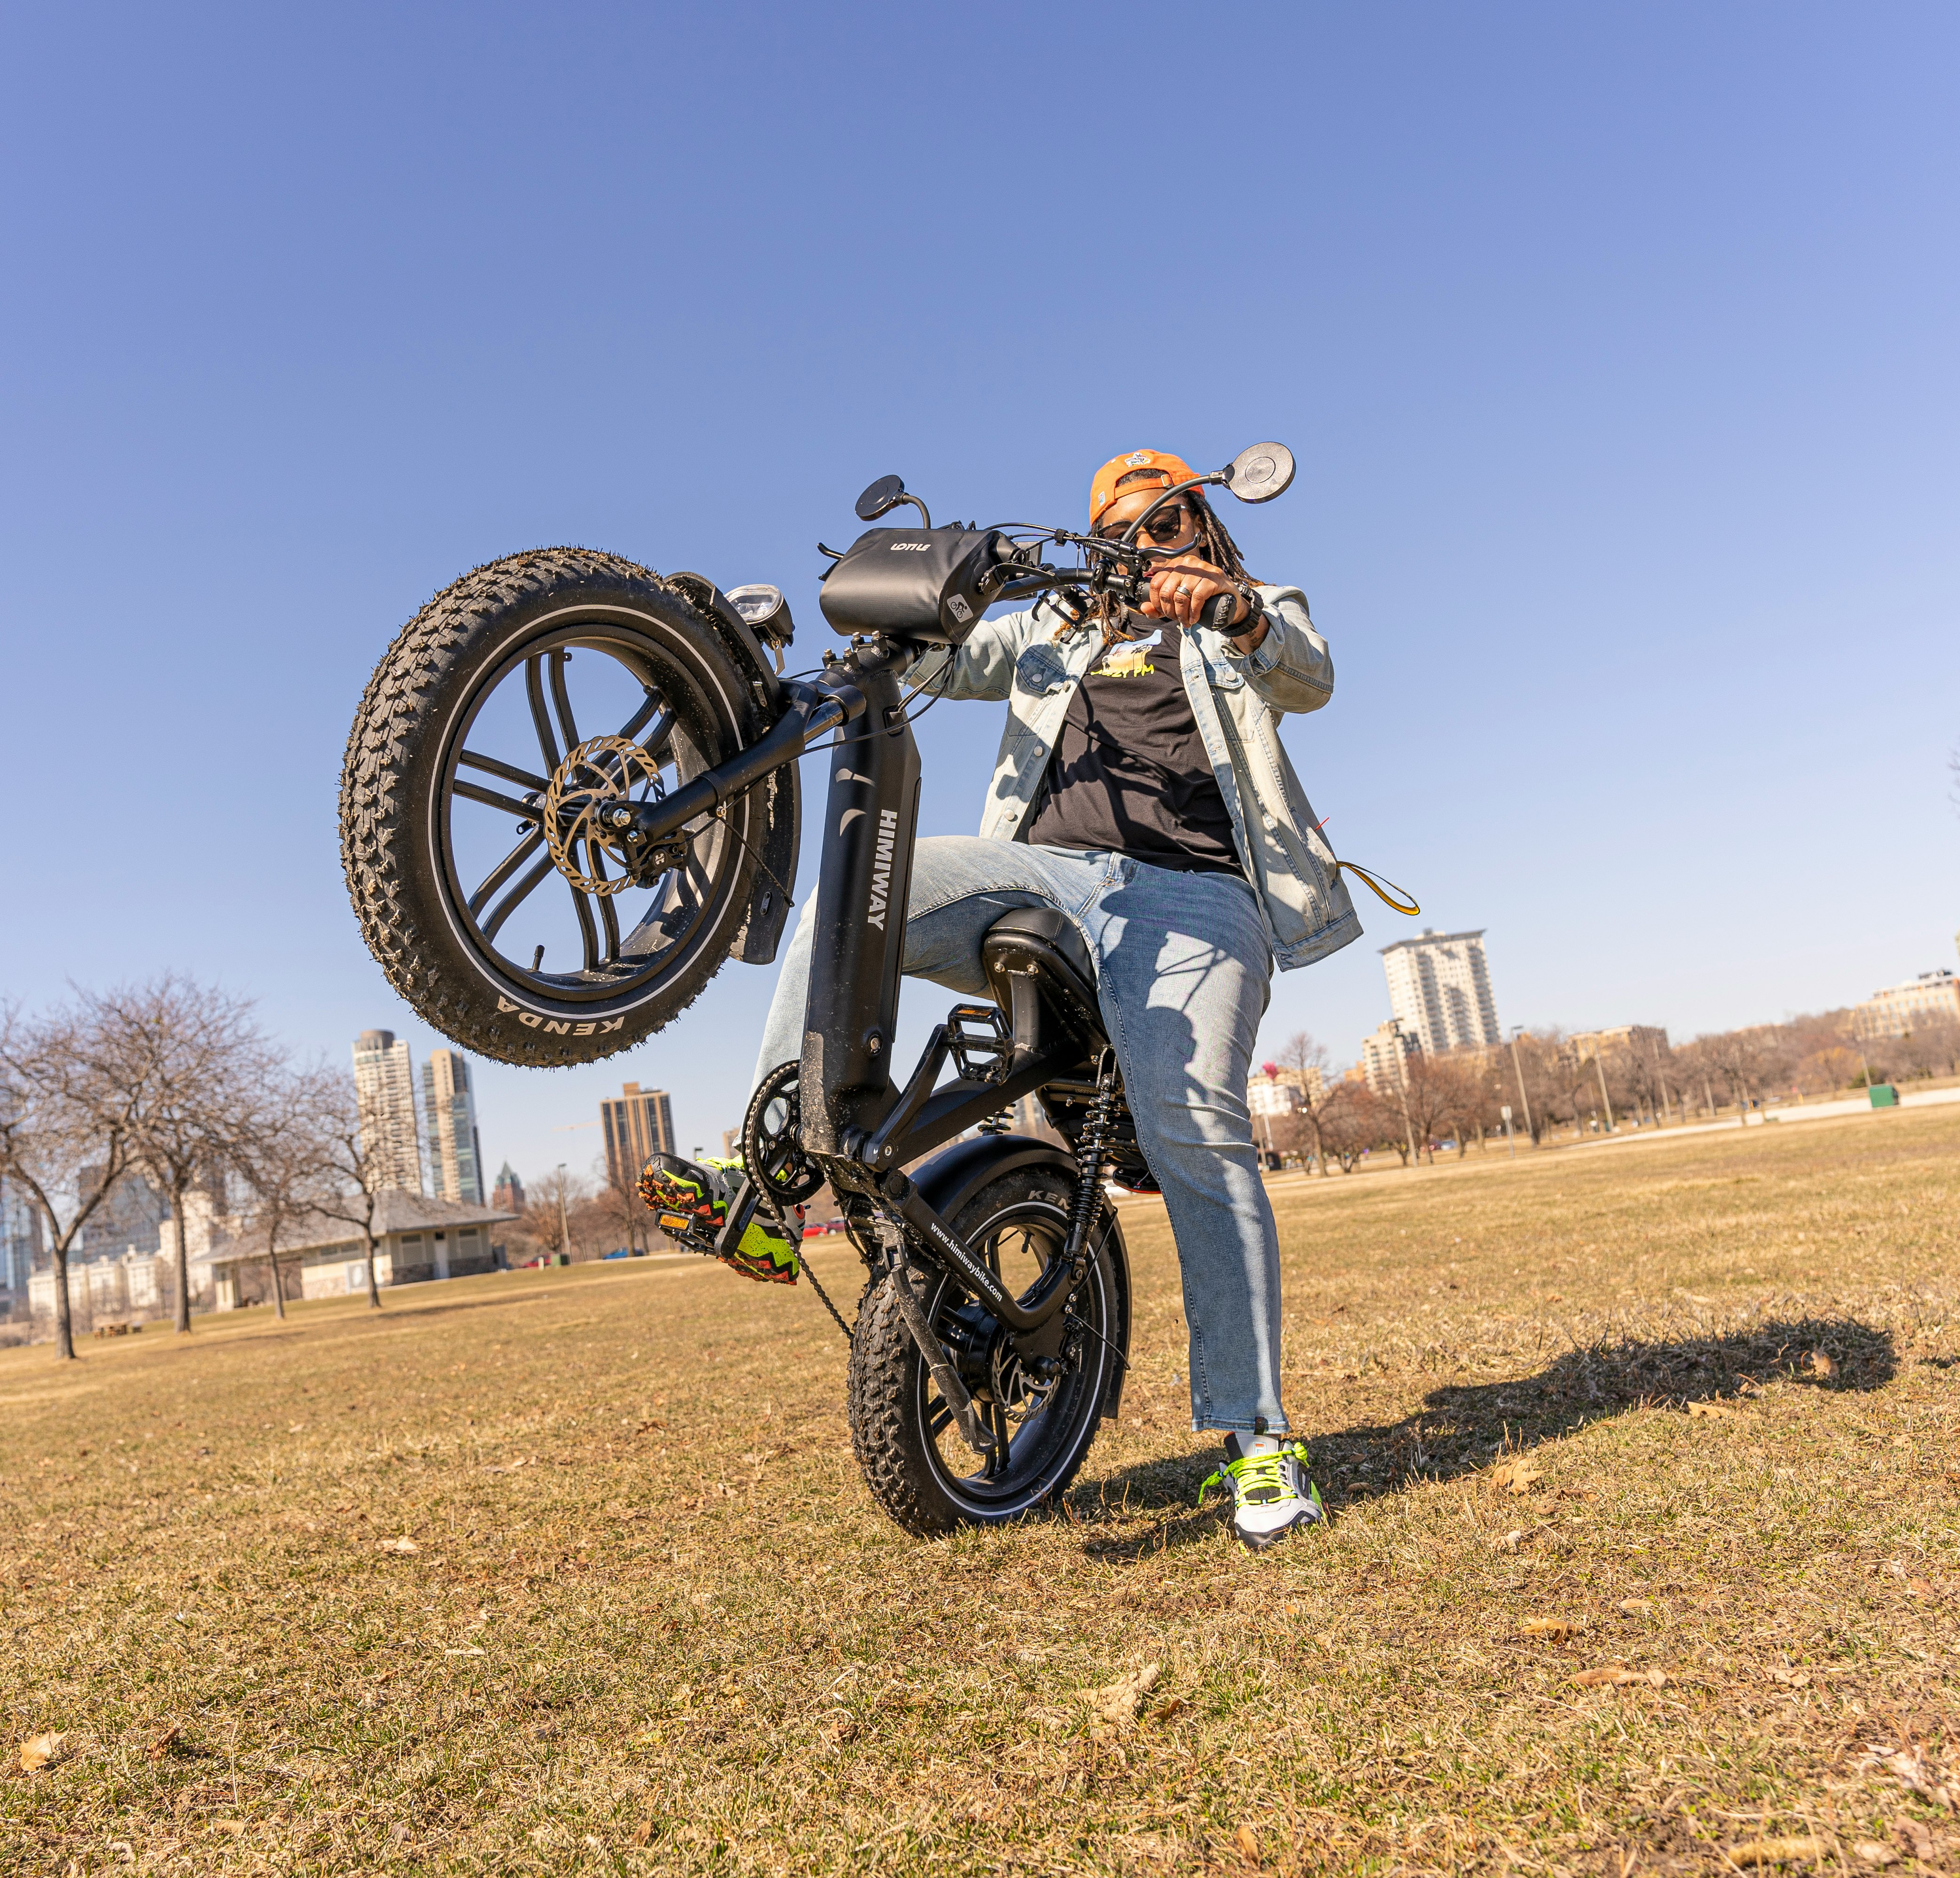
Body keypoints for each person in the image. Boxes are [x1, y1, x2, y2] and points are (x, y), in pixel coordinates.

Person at [645, 448, 1359, 1552]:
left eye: (1170, 519)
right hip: (1043, 876)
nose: (1151, 538)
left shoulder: (1242, 611)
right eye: (1129, 522)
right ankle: (770, 1176)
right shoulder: (1052, 632)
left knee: (1197, 1132)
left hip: (1198, 900)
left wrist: (1227, 609)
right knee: (853, 890)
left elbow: (1307, 670)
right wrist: (835, 637)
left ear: (1204, 529)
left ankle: (1257, 1437)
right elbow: (927, 661)